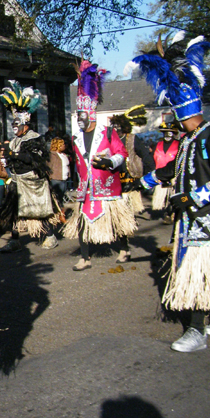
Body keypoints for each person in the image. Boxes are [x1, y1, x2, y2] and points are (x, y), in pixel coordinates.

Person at [132, 33, 210, 352]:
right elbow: (177, 168)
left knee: (197, 272)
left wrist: (192, 198)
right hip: (192, 220)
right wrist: (146, 180)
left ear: (187, 112)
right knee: (201, 273)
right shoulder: (191, 140)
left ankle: (196, 332)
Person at [63, 61, 137, 271]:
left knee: (115, 221)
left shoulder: (108, 133)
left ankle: (124, 249)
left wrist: (109, 162)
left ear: (92, 114)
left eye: (82, 115)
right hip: (86, 188)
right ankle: (85, 257)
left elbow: (122, 154)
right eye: (77, 116)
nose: (79, 119)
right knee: (82, 222)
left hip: (107, 185)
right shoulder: (75, 137)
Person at [0, 81, 59, 251]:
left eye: (16, 124)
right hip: (17, 180)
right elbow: (15, 158)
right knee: (15, 211)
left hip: (33, 181)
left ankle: (50, 235)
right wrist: (7, 160)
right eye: (13, 124)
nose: (14, 127)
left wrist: (14, 155)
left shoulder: (34, 137)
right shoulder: (15, 140)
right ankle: (15, 240)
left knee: (40, 210)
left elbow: (34, 158)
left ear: (25, 123)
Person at [109, 105, 152, 216]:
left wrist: (148, 173)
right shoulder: (110, 141)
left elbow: (145, 155)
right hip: (116, 175)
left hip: (130, 175)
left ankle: (128, 223)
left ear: (123, 127)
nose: (115, 129)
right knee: (118, 205)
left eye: (118, 127)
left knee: (128, 204)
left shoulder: (133, 139)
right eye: (113, 127)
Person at [150, 119, 181, 223]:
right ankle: (167, 211)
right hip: (160, 174)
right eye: (165, 132)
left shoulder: (179, 145)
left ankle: (171, 212)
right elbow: (151, 159)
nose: (168, 134)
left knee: (173, 194)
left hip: (174, 175)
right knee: (163, 196)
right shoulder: (157, 145)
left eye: (170, 132)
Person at [49, 137, 71, 206]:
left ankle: (61, 212)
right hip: (56, 180)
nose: (64, 146)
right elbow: (49, 166)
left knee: (62, 198)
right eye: (62, 144)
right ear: (58, 145)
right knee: (56, 198)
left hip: (64, 179)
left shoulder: (64, 155)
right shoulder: (52, 155)